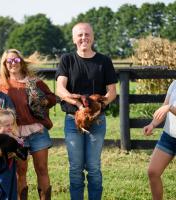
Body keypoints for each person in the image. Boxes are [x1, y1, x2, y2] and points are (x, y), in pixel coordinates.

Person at [56, 22, 117, 200]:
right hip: (72, 120)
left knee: (93, 166)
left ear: (93, 37)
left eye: (87, 34)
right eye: (80, 35)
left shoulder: (104, 61)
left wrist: (97, 109)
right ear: (74, 39)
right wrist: (79, 106)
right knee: (75, 167)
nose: (84, 38)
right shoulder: (67, 59)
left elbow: (112, 92)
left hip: (97, 120)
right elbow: (60, 89)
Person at [0, 49, 56, 200]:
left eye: (16, 60)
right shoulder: (2, 85)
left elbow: (52, 98)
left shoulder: (34, 81)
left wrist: (44, 101)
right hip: (15, 134)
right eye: (9, 61)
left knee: (42, 169)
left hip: (37, 131)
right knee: (20, 171)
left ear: (21, 62)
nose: (13, 63)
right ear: (4, 64)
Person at [143, 80, 176, 200]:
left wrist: (170, 107)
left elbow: (168, 107)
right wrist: (152, 124)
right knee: (153, 172)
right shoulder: (174, 84)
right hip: (169, 137)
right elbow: (164, 107)